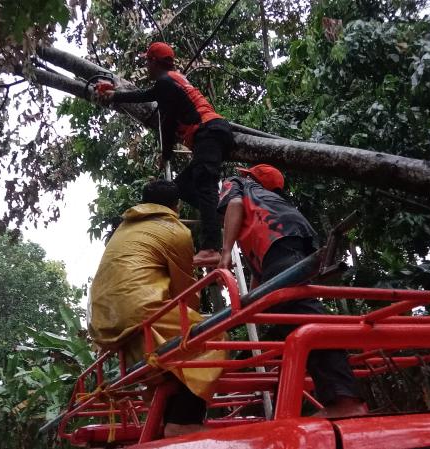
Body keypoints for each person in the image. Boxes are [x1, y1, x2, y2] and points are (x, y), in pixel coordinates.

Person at [216, 164, 367, 418]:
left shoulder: (240, 184)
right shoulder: (272, 202)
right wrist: (253, 300)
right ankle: (308, 403)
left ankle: (345, 401)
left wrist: (225, 253)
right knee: (293, 313)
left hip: (281, 245)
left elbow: (234, 205)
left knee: (303, 317)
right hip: (296, 245)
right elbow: (264, 265)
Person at [88, 180, 225, 437]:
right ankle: (184, 422)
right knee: (211, 336)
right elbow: (185, 292)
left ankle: (165, 419)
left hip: (104, 322)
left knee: (164, 361)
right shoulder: (176, 231)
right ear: (177, 205)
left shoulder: (123, 229)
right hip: (139, 311)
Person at [96, 42, 233, 267]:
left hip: (209, 132)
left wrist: (113, 95)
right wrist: (166, 155)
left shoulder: (166, 82)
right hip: (211, 134)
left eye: (146, 62)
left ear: (153, 62)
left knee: (205, 186)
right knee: (182, 186)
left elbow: (156, 111)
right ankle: (221, 215)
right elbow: (162, 115)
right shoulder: (173, 81)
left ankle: (210, 248)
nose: (145, 67)